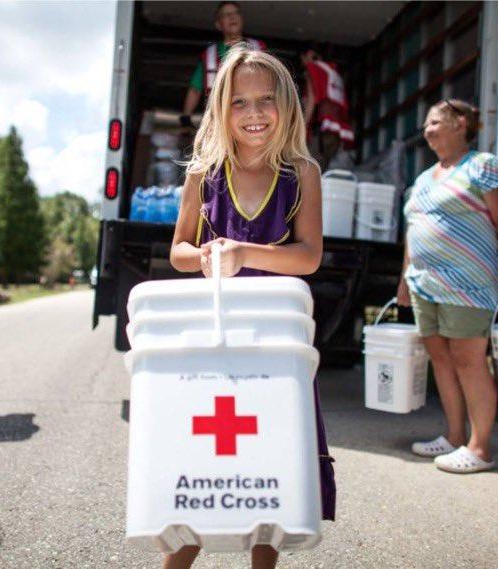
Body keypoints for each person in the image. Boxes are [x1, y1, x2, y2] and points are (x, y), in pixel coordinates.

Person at [169, 46, 332, 569]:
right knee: (207, 460)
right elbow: (178, 251)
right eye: (240, 102)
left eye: (266, 100)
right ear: (221, 108)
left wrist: (247, 253)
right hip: (217, 333)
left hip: (277, 339)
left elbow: (308, 257)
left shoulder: (303, 173)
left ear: (286, 104)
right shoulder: (203, 174)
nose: (254, 113)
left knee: (274, 463)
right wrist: (210, 257)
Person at [397, 99, 498, 473]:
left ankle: (481, 447)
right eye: (426, 125)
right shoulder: (424, 178)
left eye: (436, 121)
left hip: (468, 282)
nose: (427, 130)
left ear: (461, 124)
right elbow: (415, 231)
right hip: (424, 283)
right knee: (441, 358)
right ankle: (455, 436)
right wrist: (403, 282)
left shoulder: (484, 165)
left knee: (469, 360)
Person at [180, 1, 265, 128]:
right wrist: (186, 116)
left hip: (254, 119)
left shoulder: (259, 48)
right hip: (220, 123)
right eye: (226, 15)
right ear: (218, 24)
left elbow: (275, 83)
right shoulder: (209, 55)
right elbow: (195, 89)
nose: (232, 17)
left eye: (236, 13)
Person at [301, 46, 355, 172]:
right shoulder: (333, 73)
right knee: (323, 171)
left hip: (320, 131)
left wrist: (301, 127)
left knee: (311, 171)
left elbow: (311, 100)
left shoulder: (314, 69)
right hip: (336, 132)